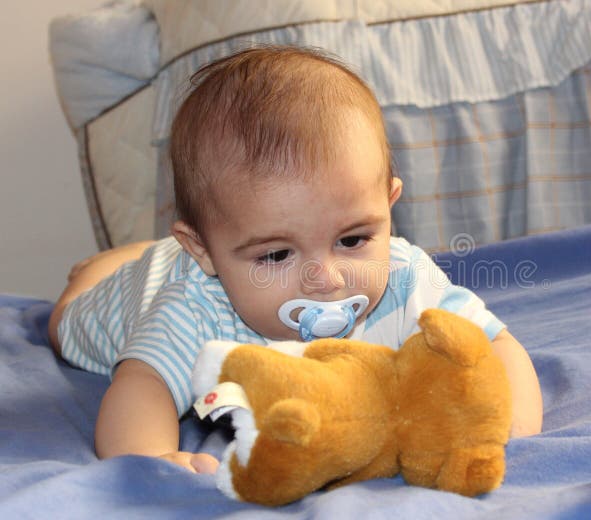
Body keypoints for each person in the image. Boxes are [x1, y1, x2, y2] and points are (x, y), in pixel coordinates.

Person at [48, 46, 543, 474]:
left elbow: (496, 344)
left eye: (352, 239)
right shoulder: (196, 308)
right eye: (278, 254)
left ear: (389, 207)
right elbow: (143, 387)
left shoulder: (403, 275)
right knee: (64, 323)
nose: (325, 279)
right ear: (204, 251)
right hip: (138, 292)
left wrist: (511, 428)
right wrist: (148, 458)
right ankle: (107, 266)